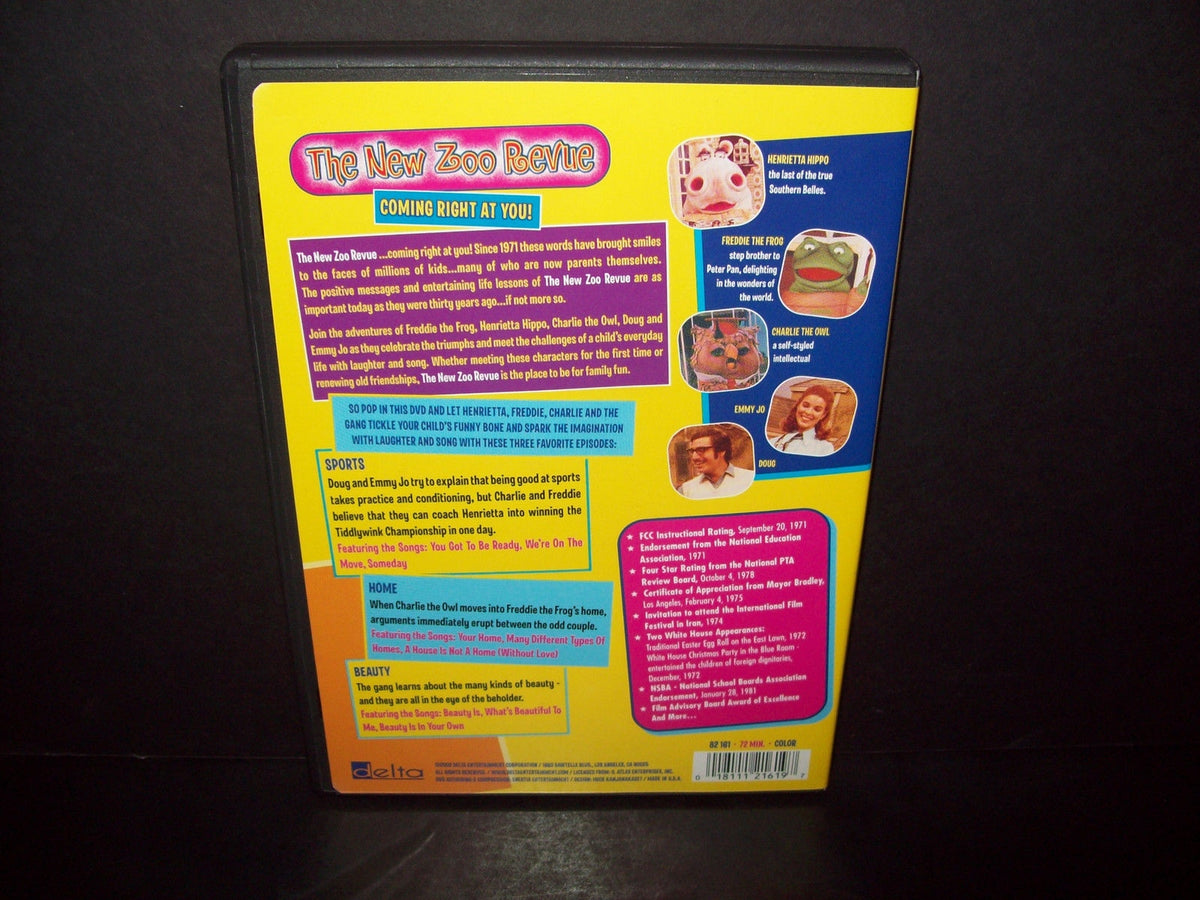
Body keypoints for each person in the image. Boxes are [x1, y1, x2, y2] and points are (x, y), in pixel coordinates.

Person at [676, 426, 753, 498]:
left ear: (721, 450)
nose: (694, 457)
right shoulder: (685, 490)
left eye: (701, 450)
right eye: (692, 451)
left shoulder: (750, 479)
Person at [772, 385, 837, 456]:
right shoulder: (773, 442)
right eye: (805, 405)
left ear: (823, 415)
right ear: (798, 405)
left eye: (817, 409)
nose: (808, 412)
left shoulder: (825, 449)